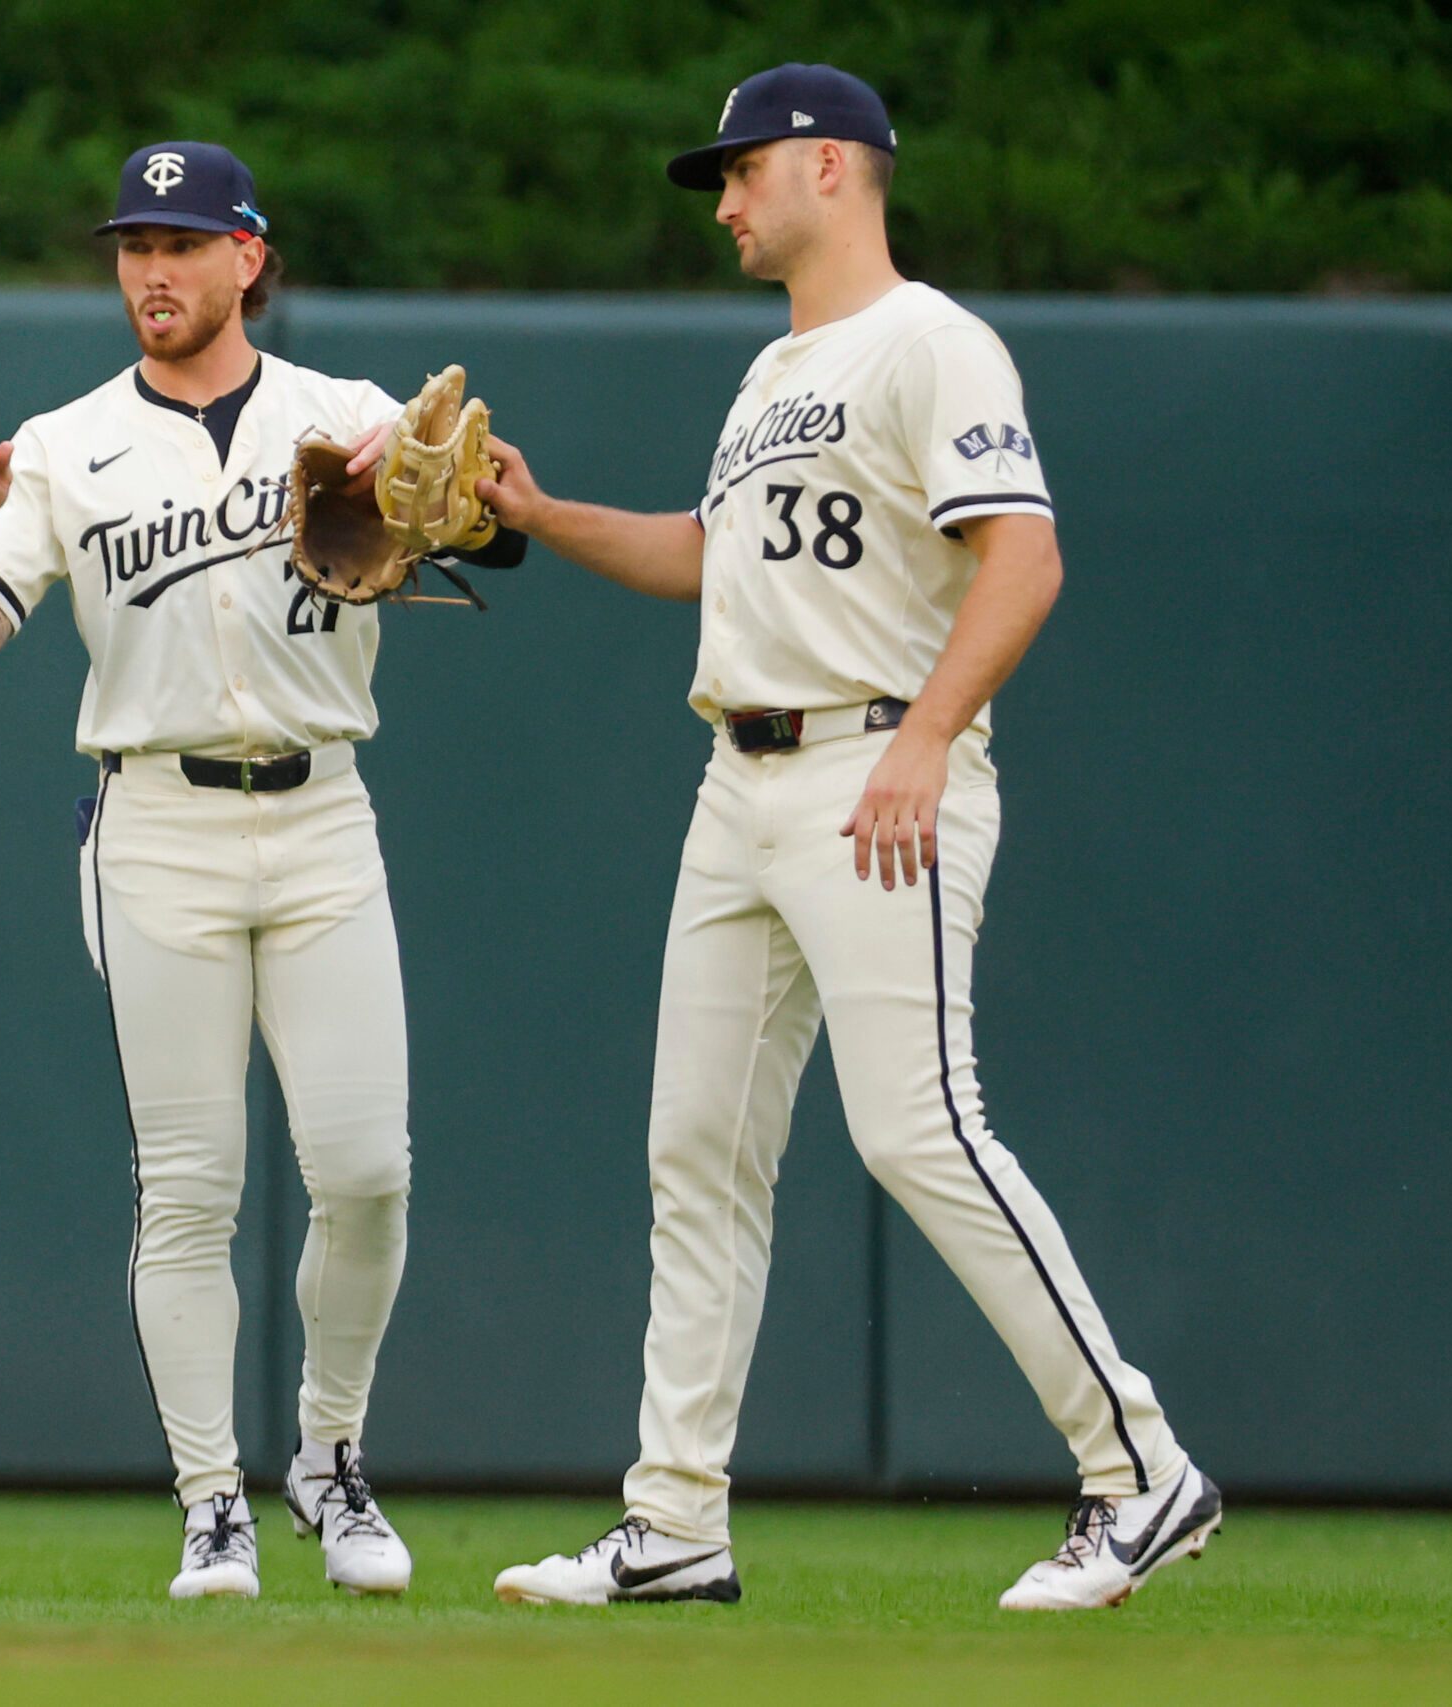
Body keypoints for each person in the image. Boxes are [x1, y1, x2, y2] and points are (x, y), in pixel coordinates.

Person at [483, 67, 1218, 1612]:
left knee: (920, 1129)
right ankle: (675, 1521)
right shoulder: (774, 375)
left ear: (831, 167)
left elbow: (1027, 556)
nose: (727, 202)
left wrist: (929, 740)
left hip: (876, 764)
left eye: (742, 172)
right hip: (739, 780)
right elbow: (711, 559)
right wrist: (541, 516)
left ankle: (1139, 1471)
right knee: (698, 1152)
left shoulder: (930, 340)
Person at [0, 140, 522, 1600]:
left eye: (182, 243)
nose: (152, 270)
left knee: (367, 1171)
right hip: (160, 826)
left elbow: (496, 535)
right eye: (134, 243)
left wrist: (460, 497)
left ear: (248, 257)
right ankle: (211, 1501)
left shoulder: (353, 417)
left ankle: (327, 1455)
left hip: (322, 817)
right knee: (193, 1188)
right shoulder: (64, 445)